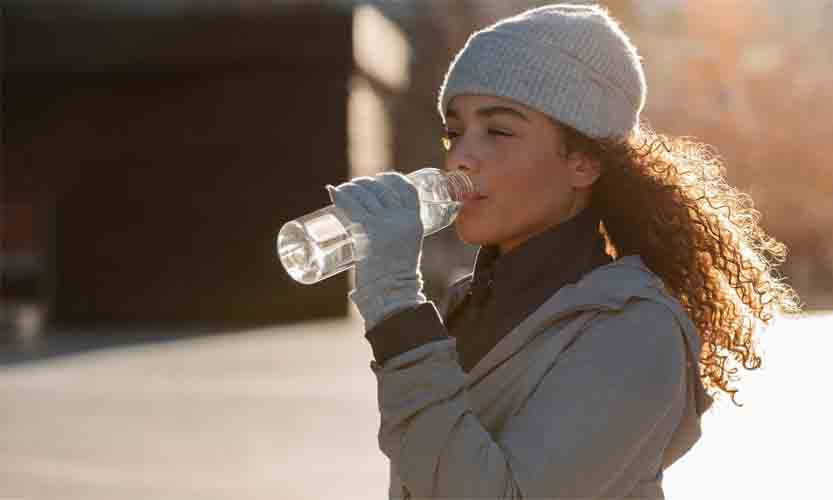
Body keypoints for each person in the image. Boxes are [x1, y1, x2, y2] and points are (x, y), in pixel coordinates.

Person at [326, 4, 800, 499]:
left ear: (583, 163)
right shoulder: (464, 304)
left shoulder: (635, 328)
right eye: (455, 131)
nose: (461, 156)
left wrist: (397, 307)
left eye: (499, 131)